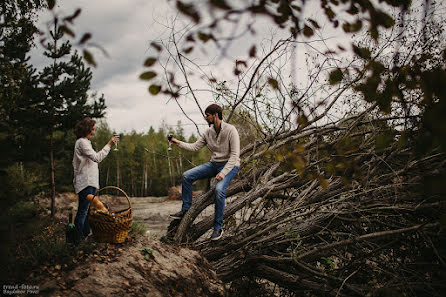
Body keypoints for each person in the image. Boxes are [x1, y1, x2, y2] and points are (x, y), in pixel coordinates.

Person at [169, 104, 240, 241]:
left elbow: (235, 155)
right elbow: (195, 147)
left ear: (215, 115)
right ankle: (185, 209)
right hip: (214, 164)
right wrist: (177, 142)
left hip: (230, 165)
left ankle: (218, 227)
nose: (205, 117)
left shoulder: (231, 130)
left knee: (219, 190)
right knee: (187, 176)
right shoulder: (208, 132)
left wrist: (223, 173)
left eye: (207, 115)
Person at [72, 118, 118, 243]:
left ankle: (85, 237)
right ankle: (77, 241)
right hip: (85, 182)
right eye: (93, 128)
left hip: (89, 181)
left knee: (87, 212)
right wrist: (109, 144)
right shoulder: (82, 142)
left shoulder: (85, 142)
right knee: (83, 211)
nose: (95, 130)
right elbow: (97, 158)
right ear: (87, 128)